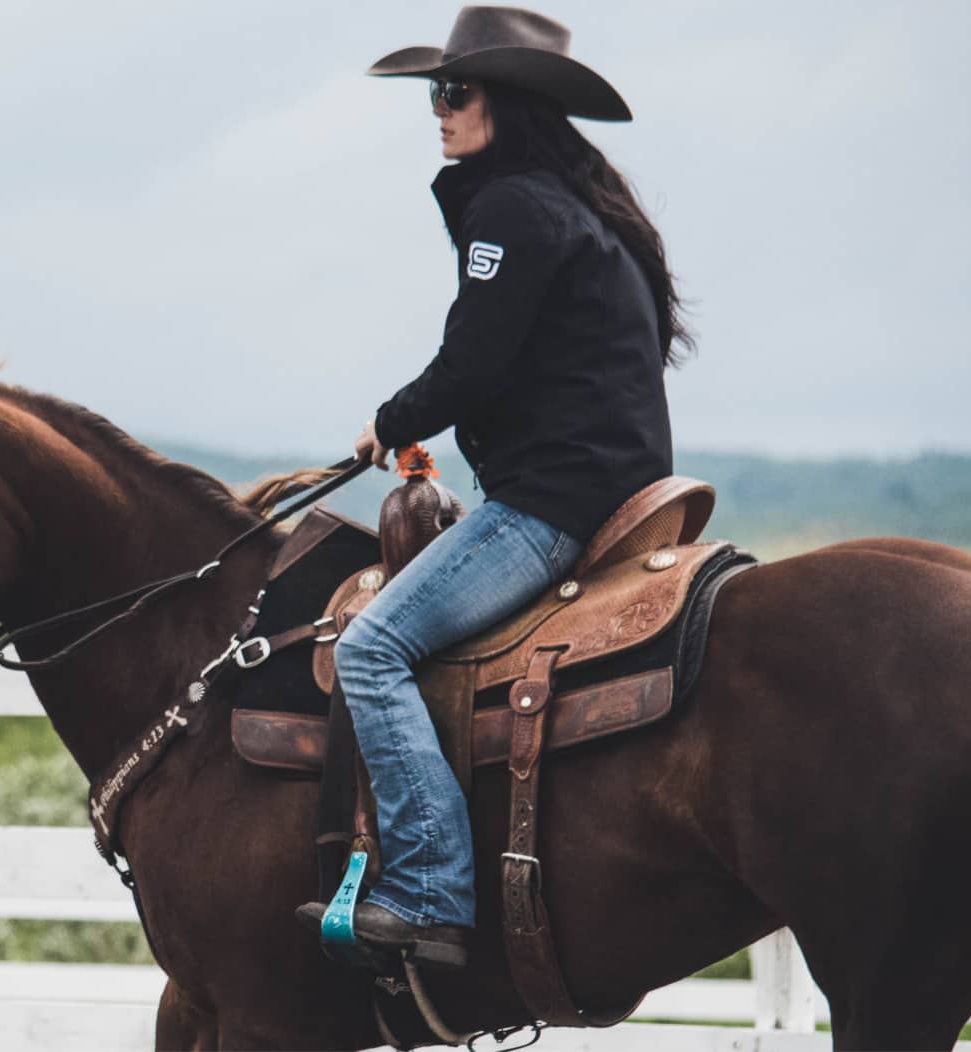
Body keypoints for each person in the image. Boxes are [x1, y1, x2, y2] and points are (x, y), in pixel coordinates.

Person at [296, 6, 690, 970]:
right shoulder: (575, 208)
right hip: (605, 487)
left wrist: (392, 421)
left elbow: (472, 365)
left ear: (507, 103)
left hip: (553, 505)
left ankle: (431, 890)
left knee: (372, 649)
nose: (438, 109)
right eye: (435, 92)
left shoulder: (513, 208)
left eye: (454, 91)